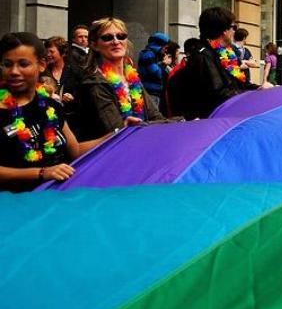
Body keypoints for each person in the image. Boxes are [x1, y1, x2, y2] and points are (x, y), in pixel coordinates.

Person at [0, 33, 104, 191]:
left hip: (56, 201)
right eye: (7, 64)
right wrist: (41, 173)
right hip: (15, 207)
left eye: (23, 64)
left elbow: (75, 150)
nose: (14, 71)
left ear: (41, 65)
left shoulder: (52, 106)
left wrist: (120, 133)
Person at [69, 17, 165, 141]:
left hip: (139, 143)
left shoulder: (132, 79)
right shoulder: (94, 83)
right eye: (107, 38)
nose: (116, 41)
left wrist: (184, 123)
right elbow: (116, 130)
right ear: (94, 45)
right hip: (111, 154)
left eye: (121, 36)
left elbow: (156, 117)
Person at [167, 7, 268, 120]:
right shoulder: (203, 57)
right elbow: (219, 95)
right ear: (224, 31)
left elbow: (237, 84)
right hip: (210, 124)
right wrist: (252, 95)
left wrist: (260, 89)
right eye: (233, 27)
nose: (234, 31)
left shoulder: (224, 54)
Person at [136, 32, 170, 107]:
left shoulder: (153, 54)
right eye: (165, 47)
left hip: (154, 93)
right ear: (159, 45)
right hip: (150, 93)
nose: (166, 50)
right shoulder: (148, 54)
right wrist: (164, 64)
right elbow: (156, 73)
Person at [42, 36, 70, 103]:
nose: (48, 54)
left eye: (51, 52)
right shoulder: (42, 71)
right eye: (46, 52)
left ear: (62, 53)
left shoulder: (73, 72)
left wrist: (72, 98)